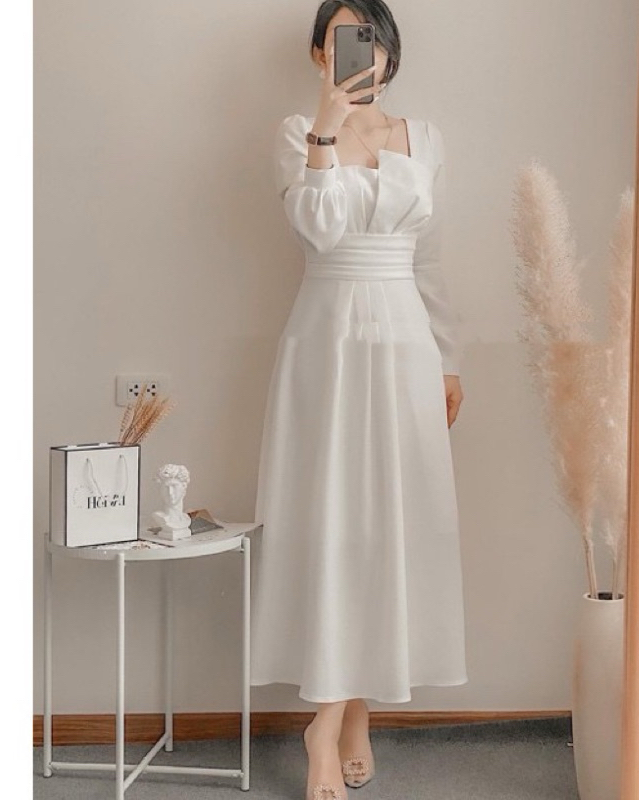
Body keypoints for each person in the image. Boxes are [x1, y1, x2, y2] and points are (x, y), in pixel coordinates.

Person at [250, 2, 469, 798]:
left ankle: (355, 712)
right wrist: (325, 127)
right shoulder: (296, 132)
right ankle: (325, 721)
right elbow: (315, 228)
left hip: (405, 338)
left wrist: (448, 358)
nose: (357, 51)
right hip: (328, 340)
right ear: (320, 53)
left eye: (368, 36)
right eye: (342, 38)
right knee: (334, 520)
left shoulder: (425, 136)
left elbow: (428, 258)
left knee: (391, 523)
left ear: (388, 49)